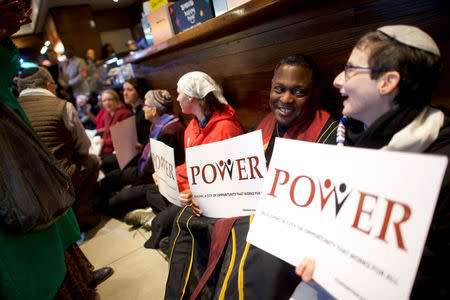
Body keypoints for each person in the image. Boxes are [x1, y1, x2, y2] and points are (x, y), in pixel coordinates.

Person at [164, 56, 338, 300]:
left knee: (243, 235)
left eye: (299, 91)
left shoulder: (328, 133)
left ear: (314, 92)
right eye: (279, 89)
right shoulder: (266, 122)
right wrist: (204, 191)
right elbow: (237, 173)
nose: (286, 99)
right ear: (271, 87)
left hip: (280, 222)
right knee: (187, 217)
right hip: (247, 206)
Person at [295, 25, 449, 300]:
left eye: (351, 69)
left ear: (387, 82)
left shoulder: (443, 160)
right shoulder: (346, 133)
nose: (338, 81)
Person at [0, 3, 112, 299]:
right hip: (34, 186)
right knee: (91, 161)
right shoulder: (59, 105)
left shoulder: (17, 101)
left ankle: (79, 275)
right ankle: (87, 215)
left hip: (39, 180)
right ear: (50, 85)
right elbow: (83, 147)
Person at [97, 89, 185, 218]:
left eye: (146, 105)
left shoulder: (168, 131)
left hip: (152, 181)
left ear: (154, 111)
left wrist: (134, 186)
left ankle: (147, 211)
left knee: (113, 205)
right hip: (143, 171)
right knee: (111, 177)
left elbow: (158, 169)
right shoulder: (159, 124)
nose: (143, 108)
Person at [99, 89, 131, 173]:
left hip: (119, 150)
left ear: (116, 100)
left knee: (99, 163)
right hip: (107, 148)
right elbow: (106, 133)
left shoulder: (124, 114)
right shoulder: (106, 114)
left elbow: (121, 139)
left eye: (110, 99)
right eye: (104, 100)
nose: (107, 102)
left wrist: (104, 142)